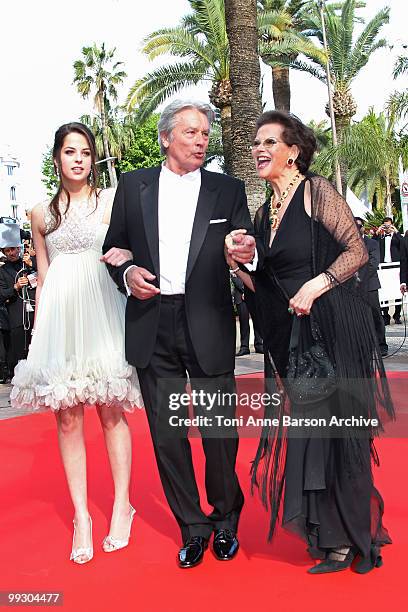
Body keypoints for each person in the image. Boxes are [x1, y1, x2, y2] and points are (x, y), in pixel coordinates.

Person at [226, 110, 393, 574]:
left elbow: (356, 251)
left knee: (340, 435)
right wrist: (236, 267)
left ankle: (354, 536)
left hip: (334, 332)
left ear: (293, 151)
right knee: (314, 438)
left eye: (269, 143)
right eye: (255, 143)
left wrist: (318, 285)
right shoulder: (264, 213)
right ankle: (331, 539)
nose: (259, 149)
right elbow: (268, 287)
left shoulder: (315, 193)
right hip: (297, 344)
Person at [102, 100, 255, 569]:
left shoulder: (227, 190)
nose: (201, 140)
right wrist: (127, 274)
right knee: (168, 436)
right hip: (153, 323)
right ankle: (192, 527)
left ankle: (225, 519)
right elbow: (114, 247)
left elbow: (244, 242)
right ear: (167, 137)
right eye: (190, 132)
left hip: (207, 319)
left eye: (205, 133)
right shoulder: (133, 186)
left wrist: (243, 248)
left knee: (219, 432)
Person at [11, 122, 143, 565]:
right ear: (57, 159)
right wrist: (39, 337)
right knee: (67, 417)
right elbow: (44, 274)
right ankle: (82, 517)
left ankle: (122, 505)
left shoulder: (109, 202)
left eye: (85, 151)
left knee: (110, 411)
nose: (79, 159)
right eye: (71, 152)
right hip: (60, 320)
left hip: (103, 313)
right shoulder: (39, 214)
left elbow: (124, 254)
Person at [354, 217, 388, 356]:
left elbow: (373, 263)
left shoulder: (372, 243)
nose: (356, 228)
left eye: (359, 226)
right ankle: (363, 346)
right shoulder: (346, 244)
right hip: (352, 287)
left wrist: (358, 277)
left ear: (363, 228)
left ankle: (381, 345)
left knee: (375, 315)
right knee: (357, 317)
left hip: (369, 285)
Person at [0, 246, 36, 377]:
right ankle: (19, 383)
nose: (11, 253)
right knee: (19, 351)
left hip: (34, 312)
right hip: (16, 316)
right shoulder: (2, 271)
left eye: (13, 249)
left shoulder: (28, 264)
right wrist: (15, 287)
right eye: (7, 251)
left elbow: (44, 279)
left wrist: (32, 266)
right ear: (4, 252)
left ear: (18, 249)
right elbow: (2, 294)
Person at [375, 217, 403, 324]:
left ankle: (397, 315)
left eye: (389, 226)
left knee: (397, 291)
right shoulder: (380, 237)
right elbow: (372, 243)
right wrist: (377, 232)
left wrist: (395, 231)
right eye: (385, 226)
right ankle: (385, 315)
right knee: (384, 292)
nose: (387, 228)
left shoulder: (396, 238)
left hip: (395, 266)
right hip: (383, 267)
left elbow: (403, 243)